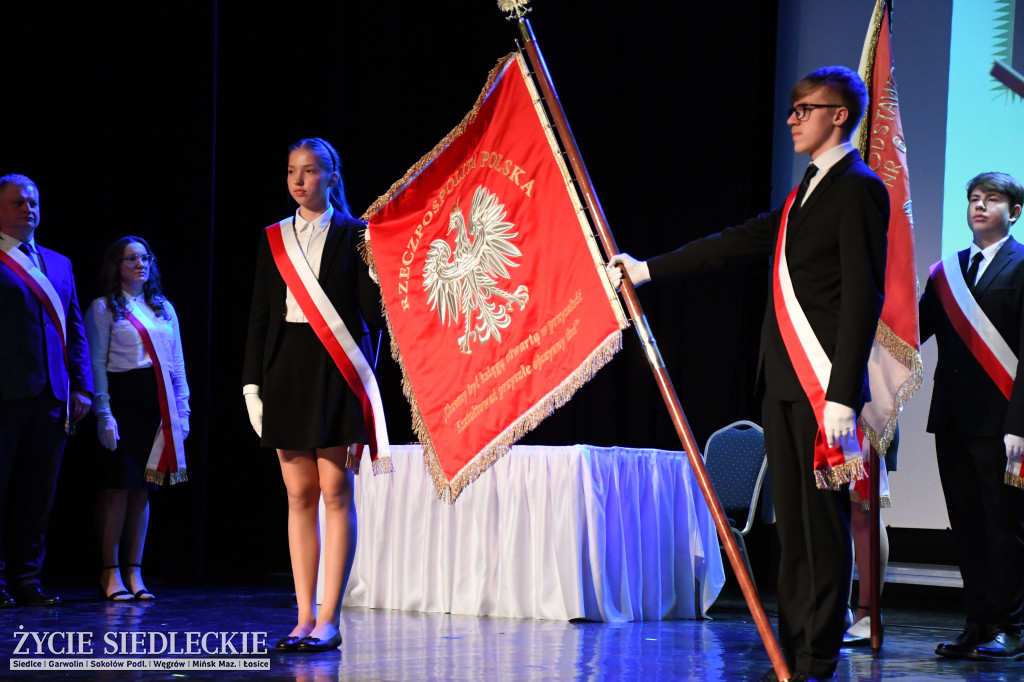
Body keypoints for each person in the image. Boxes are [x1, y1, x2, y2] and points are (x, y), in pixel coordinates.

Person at [608, 66, 889, 681]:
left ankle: (817, 656)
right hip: (783, 384)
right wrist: (650, 269)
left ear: (839, 116)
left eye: (804, 109)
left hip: (825, 394)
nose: (791, 119)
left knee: (821, 528)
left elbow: (864, 298)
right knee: (791, 529)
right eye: (790, 110)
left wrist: (843, 394)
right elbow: (736, 241)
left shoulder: (860, 188)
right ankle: (790, 653)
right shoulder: (802, 194)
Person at [243, 137, 388, 653]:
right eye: (291, 172)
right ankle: (303, 616)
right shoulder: (273, 237)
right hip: (286, 371)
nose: (299, 181)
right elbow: (261, 314)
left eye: (309, 172)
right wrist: (251, 383)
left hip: (335, 370)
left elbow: (372, 320)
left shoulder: (357, 235)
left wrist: (380, 269)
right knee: (299, 495)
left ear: (332, 176)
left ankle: (330, 618)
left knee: (334, 492)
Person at [919, 171, 1024, 662]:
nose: (980, 206)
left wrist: (1019, 424)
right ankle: (976, 623)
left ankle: (1010, 626)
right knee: (965, 526)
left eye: (993, 199)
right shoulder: (948, 272)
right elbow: (914, 331)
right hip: (954, 420)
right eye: (974, 199)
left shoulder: (1023, 265)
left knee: (1003, 527)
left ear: (1015, 211)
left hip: (1004, 424)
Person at [0, 173, 93, 608]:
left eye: (33, 202)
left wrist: (84, 388)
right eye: (18, 202)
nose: (28, 209)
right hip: (5, 395)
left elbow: (75, 329)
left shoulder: (58, 263)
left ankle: (27, 581)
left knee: (38, 497)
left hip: (53, 397)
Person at [84, 236, 190, 602]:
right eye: (131, 259)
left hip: (155, 403)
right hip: (122, 401)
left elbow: (177, 363)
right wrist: (104, 413)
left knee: (144, 489)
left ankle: (135, 570)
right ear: (117, 266)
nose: (139, 265)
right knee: (117, 487)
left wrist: (183, 409)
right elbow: (96, 363)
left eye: (145, 258)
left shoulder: (163, 309)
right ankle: (109, 572)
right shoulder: (104, 308)